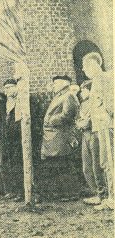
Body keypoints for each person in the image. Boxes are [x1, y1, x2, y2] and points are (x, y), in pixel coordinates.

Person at [80, 45, 114, 210]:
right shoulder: (96, 81)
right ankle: (110, 197)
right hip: (99, 127)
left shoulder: (103, 78)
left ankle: (112, 199)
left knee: (109, 162)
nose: (83, 70)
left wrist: (107, 119)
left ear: (93, 65)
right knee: (104, 162)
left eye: (85, 67)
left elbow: (109, 104)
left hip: (106, 126)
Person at [41, 75, 80, 199]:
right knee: (58, 165)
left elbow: (68, 115)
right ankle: (63, 193)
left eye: (56, 83)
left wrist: (51, 120)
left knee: (64, 165)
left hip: (61, 136)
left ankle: (71, 193)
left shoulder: (68, 95)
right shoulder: (58, 96)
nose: (54, 85)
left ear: (64, 83)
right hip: (53, 137)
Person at [76, 80, 106, 205]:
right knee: (86, 167)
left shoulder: (95, 103)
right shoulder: (82, 104)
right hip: (85, 135)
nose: (81, 92)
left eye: (84, 90)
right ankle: (95, 193)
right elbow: (77, 120)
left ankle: (102, 194)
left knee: (96, 165)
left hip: (94, 134)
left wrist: (82, 123)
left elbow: (88, 122)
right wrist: (81, 123)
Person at [3, 78, 24, 200]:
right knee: (13, 165)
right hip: (11, 140)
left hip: (20, 139)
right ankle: (16, 191)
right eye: (5, 89)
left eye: (9, 88)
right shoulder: (8, 103)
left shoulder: (23, 100)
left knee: (19, 165)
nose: (7, 91)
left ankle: (22, 192)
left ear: (15, 87)